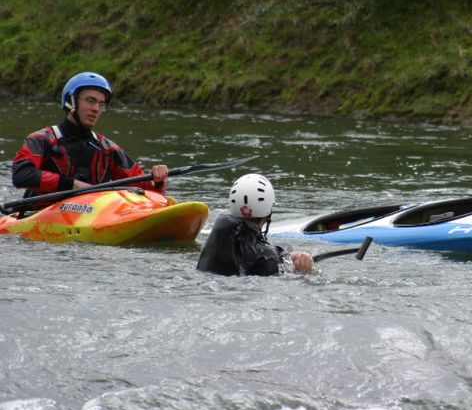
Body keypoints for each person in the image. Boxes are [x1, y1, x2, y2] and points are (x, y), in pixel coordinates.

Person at [11, 72, 168, 205]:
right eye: (90, 100)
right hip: (40, 213)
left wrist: (158, 179)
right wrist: (71, 184)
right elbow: (22, 175)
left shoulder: (108, 149)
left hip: (91, 213)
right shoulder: (41, 140)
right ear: (71, 102)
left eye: (101, 104)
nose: (96, 109)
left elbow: (147, 190)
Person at [197, 174, 315, 276]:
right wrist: (302, 271)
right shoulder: (268, 256)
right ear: (268, 212)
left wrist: (286, 257)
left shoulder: (216, 239)